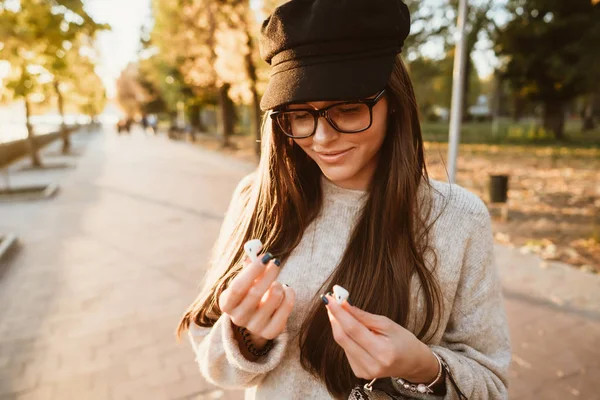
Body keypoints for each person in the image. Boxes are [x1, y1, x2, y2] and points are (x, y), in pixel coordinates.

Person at [176, 0, 511, 399]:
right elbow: (210, 354)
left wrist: (422, 366)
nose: (320, 138)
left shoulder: (457, 217)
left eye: (348, 110)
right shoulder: (255, 197)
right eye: (299, 114)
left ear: (395, 104)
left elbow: (491, 386)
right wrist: (246, 339)